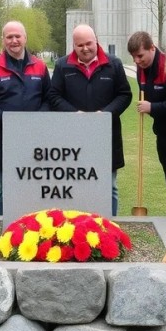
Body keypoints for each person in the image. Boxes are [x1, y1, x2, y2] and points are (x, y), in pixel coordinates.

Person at [48, 24, 132, 215]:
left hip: (106, 136)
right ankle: (75, 229)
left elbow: (124, 95)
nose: (85, 48)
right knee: (73, 185)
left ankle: (109, 227)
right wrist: (74, 114)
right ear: (73, 45)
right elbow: (53, 96)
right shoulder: (62, 66)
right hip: (71, 138)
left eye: (88, 43)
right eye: (80, 45)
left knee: (109, 186)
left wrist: (106, 114)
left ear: (96, 40)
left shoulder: (114, 64)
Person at [0, 20, 51, 215]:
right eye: (9, 37)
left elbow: (49, 98)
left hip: (37, 138)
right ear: (3, 40)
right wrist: (7, 120)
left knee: (38, 188)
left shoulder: (40, 66)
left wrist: (37, 119)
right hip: (5, 139)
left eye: (17, 36)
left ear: (25, 38)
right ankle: (8, 234)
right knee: (7, 190)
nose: (14, 40)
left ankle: (38, 232)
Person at [128, 31, 166, 209]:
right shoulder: (141, 69)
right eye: (133, 57)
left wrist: (152, 107)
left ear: (152, 48)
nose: (137, 61)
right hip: (162, 134)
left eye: (140, 55)